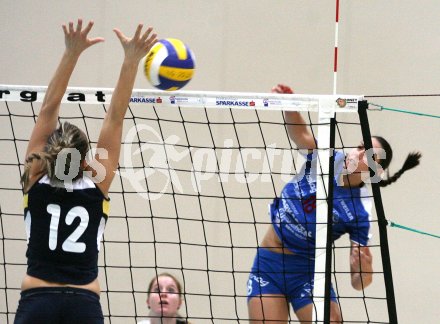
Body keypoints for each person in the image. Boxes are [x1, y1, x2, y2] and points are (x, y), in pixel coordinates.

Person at [14, 19, 157, 324]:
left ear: (49, 154)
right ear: (84, 162)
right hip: (84, 303)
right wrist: (132, 60)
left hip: (37, 300)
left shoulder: (35, 177)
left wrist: (71, 53)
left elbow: (48, 109)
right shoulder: (97, 183)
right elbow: (115, 117)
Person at [247, 84, 422, 323]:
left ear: (375, 170)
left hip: (308, 271)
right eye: (361, 147)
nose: (359, 153)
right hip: (270, 262)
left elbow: (359, 283)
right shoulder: (327, 158)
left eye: (369, 155)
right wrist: (290, 105)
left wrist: (363, 269)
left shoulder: (360, 212)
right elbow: (301, 135)